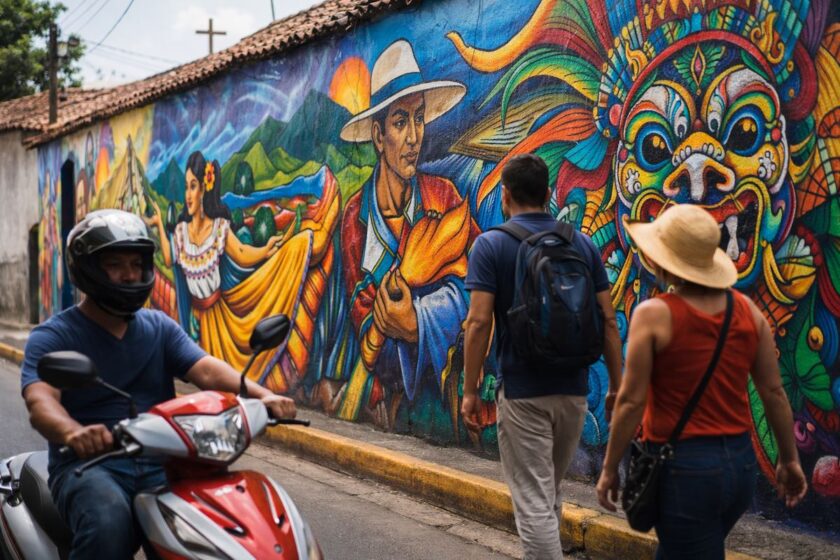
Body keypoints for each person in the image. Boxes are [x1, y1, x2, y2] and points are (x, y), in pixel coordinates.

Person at [21, 209, 297, 560]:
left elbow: (207, 371)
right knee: (108, 522)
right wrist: (74, 432)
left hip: (168, 460)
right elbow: (41, 401)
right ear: (88, 268)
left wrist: (264, 396)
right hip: (91, 467)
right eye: (116, 264)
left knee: (227, 521)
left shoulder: (158, 326)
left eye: (136, 264)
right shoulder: (55, 335)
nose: (130, 274)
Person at [596, 204, 808, 559]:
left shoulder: (654, 315)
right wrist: (789, 460)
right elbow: (773, 393)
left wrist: (609, 469)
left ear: (664, 262)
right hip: (739, 467)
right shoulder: (748, 312)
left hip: (685, 471)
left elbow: (632, 402)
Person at [462, 154, 623, 559]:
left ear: (505, 195)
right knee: (546, 493)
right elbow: (607, 320)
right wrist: (618, 386)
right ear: (549, 194)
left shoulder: (491, 244)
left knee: (533, 503)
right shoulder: (580, 243)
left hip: (523, 394)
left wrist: (469, 390)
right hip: (574, 393)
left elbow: (479, 323)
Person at [337, 39, 479, 426]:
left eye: (419, 119)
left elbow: (479, 286)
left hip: (445, 394)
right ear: (379, 137)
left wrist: (419, 320)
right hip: (387, 399)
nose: (415, 137)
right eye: (401, 123)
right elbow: (361, 314)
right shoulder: (357, 218)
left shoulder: (443, 196)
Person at [147, 150, 337, 392]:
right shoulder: (182, 232)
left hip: (224, 318)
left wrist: (266, 251)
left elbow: (243, 255)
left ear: (204, 189)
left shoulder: (219, 228)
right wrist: (159, 226)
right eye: (186, 187)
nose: (188, 195)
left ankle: (315, 232)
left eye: (193, 186)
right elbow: (168, 256)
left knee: (230, 377)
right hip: (200, 324)